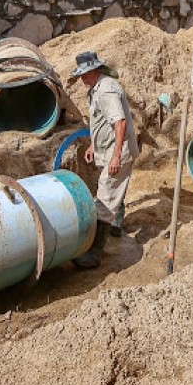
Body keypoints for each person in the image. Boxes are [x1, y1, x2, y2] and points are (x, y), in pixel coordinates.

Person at [70, 51, 139, 269]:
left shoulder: (106, 90)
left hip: (118, 150)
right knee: (113, 189)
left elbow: (119, 123)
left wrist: (116, 156)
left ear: (94, 70)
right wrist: (93, 144)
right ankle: (116, 225)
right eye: (80, 75)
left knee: (105, 196)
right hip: (109, 148)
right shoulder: (96, 88)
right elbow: (101, 122)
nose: (82, 79)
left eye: (84, 74)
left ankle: (94, 254)